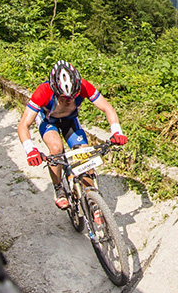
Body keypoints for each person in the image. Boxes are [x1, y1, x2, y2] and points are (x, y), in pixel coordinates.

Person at [17, 60, 128, 209]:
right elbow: (23, 124)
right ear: (55, 90)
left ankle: (93, 201)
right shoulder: (43, 92)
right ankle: (59, 189)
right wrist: (30, 149)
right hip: (49, 121)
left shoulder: (84, 86)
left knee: (84, 154)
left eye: (73, 96)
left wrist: (116, 131)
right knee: (56, 149)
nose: (68, 100)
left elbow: (108, 108)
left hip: (70, 120)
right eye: (63, 97)